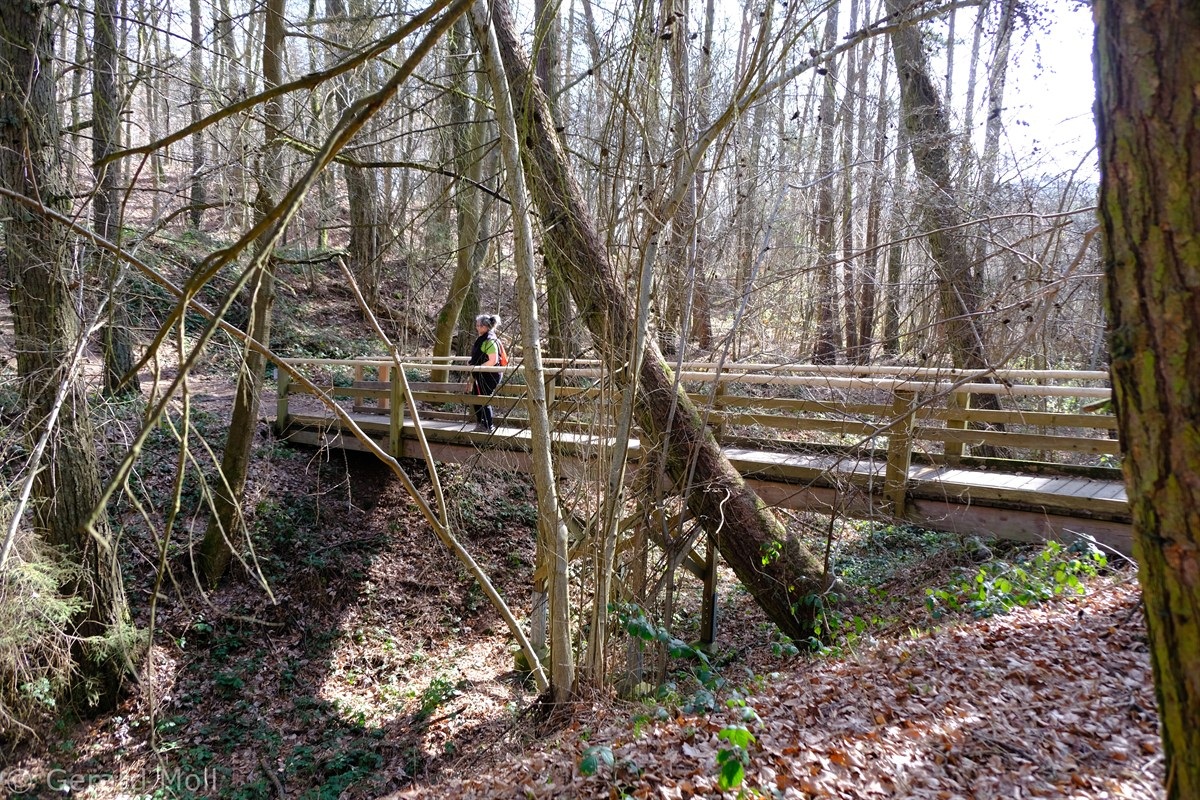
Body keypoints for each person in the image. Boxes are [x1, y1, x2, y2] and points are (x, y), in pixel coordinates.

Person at [466, 314, 502, 432]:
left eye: (478, 325)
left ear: (485, 327)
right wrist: (472, 363)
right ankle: (481, 423)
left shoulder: (489, 341)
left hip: (488, 375)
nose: (477, 328)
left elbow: (493, 360)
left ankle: (488, 425)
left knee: (484, 399)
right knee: (477, 398)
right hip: (481, 374)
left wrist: (478, 368)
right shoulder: (483, 339)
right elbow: (479, 356)